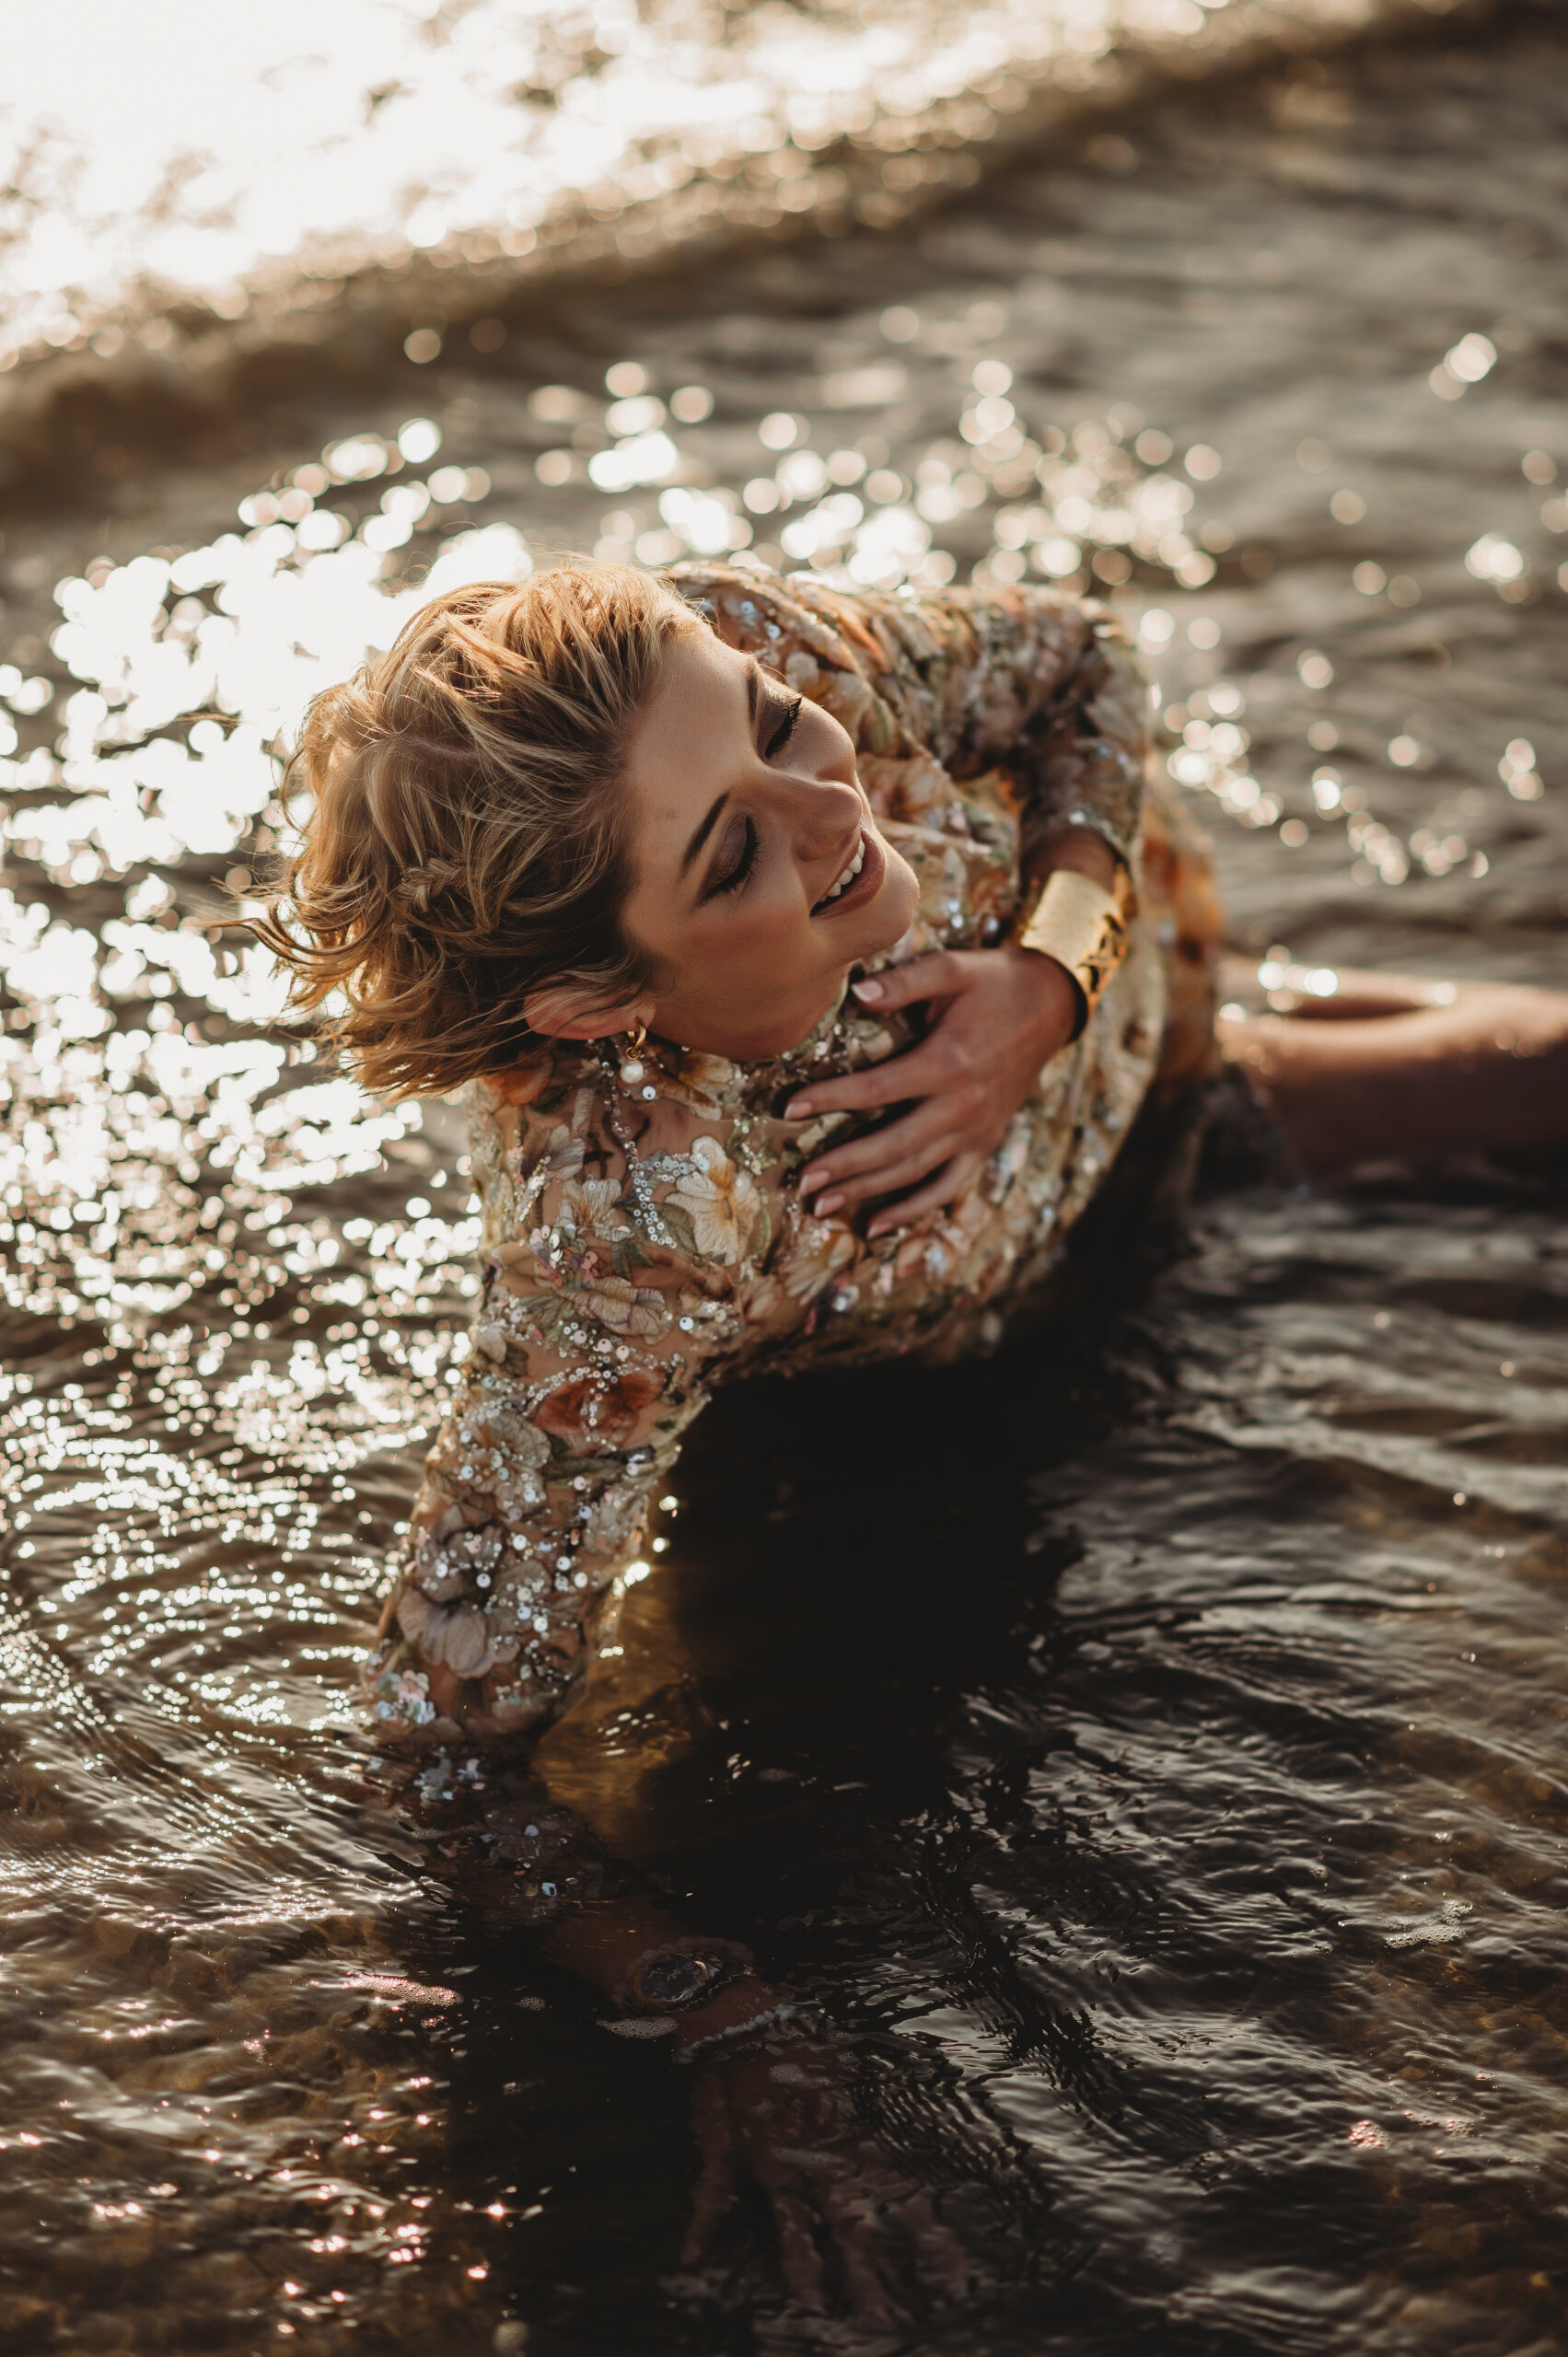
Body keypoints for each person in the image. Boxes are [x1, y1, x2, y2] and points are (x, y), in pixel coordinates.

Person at [260, 557, 1568, 2310]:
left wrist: (1053, 973)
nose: (835, 810)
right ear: (592, 1006)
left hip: (1154, 1038)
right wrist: (727, 2008)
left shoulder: (743, 650)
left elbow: (1082, 665)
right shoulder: (632, 1251)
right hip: (947, 1377)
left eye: (780, 731)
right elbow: (437, 1748)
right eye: (729, 853)